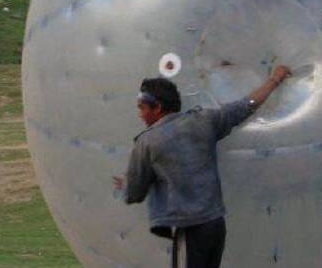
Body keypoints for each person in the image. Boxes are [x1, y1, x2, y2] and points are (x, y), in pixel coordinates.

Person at [113, 65, 293, 268]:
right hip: (215, 225)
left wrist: (126, 186)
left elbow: (135, 193)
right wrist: (274, 80)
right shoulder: (204, 121)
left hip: (190, 228)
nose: (140, 114)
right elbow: (246, 106)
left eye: (142, 108)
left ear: (157, 108)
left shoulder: (147, 142)